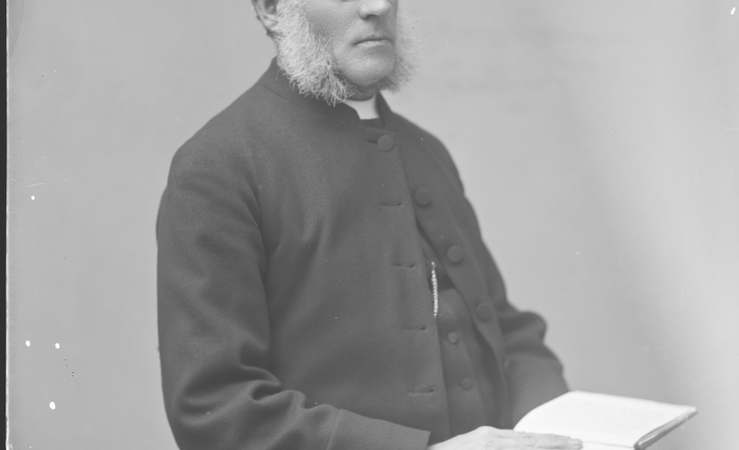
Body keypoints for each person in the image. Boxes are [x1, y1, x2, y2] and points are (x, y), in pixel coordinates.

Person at [156, 0, 581, 449]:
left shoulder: (427, 150)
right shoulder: (218, 168)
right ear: (271, 9)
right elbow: (215, 407)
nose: (376, 5)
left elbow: (505, 330)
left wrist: (561, 429)